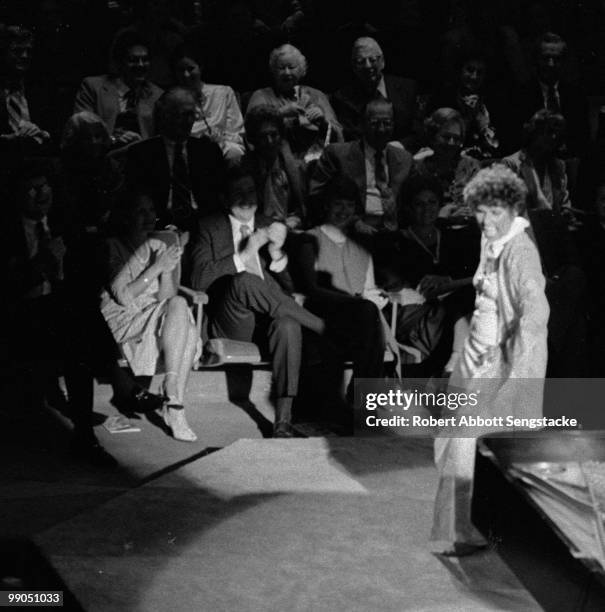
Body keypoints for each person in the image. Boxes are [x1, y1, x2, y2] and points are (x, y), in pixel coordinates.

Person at [431, 165, 549, 556]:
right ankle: (470, 527)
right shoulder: (491, 238)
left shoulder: (522, 252)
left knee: (474, 447)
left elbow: (534, 316)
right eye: (479, 211)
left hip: (502, 362)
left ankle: (472, 532)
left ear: (513, 209)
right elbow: (480, 300)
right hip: (474, 355)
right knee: (451, 441)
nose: (484, 220)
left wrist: (513, 374)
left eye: (493, 211)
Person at [189, 163, 325, 437]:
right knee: (245, 281)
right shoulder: (208, 227)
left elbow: (293, 286)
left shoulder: (269, 225)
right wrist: (245, 254)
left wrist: (277, 255)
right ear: (224, 198)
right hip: (230, 320)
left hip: (268, 320)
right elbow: (198, 281)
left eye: (251, 190)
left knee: (288, 325)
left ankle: (283, 422)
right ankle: (324, 329)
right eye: (237, 192)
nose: (246, 198)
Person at [3, 160, 115, 467]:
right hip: (18, 323)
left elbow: (86, 279)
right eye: (32, 189)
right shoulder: (7, 232)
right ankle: (120, 383)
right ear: (15, 195)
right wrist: (40, 264)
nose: (41, 195)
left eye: (46, 187)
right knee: (77, 318)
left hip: (62, 320)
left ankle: (84, 437)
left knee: (77, 318)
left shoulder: (65, 225)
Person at [101, 187, 200, 442]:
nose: (147, 216)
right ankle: (175, 405)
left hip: (152, 315)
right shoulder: (112, 246)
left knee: (179, 307)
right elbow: (122, 295)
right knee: (185, 324)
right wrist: (157, 267)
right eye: (140, 211)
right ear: (125, 216)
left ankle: (173, 395)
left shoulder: (157, 244)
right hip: (123, 318)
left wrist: (166, 270)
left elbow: (166, 299)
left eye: (151, 211)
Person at [293, 176, 386, 401]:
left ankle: (361, 399)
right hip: (321, 314)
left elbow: (368, 289)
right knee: (368, 316)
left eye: (349, 205)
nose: (344, 211)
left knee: (370, 315)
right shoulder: (309, 239)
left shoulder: (361, 244)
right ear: (326, 205)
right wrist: (357, 303)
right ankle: (363, 400)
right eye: (338, 204)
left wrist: (375, 298)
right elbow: (311, 288)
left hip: (359, 319)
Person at [124, 87, 226, 233]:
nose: (189, 121)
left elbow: (218, 200)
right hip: (158, 229)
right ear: (166, 116)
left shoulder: (208, 151)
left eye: (192, 115)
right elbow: (138, 203)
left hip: (203, 227)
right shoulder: (141, 154)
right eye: (183, 115)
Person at [309, 98, 413, 235]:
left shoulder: (405, 159)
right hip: (350, 231)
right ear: (363, 125)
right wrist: (354, 222)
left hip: (395, 234)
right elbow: (317, 195)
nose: (381, 129)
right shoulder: (338, 155)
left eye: (386, 123)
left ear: (393, 125)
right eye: (375, 123)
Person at [246, 44, 342, 161]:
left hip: (317, 159)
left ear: (301, 69)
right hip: (277, 161)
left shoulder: (317, 95)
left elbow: (338, 134)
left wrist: (323, 122)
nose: (287, 72)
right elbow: (251, 130)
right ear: (273, 71)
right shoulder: (261, 95)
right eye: (281, 68)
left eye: (291, 67)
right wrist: (280, 113)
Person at [74, 30, 163, 147]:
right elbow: (82, 129)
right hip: (103, 155)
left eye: (145, 60)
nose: (141, 65)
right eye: (133, 60)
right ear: (120, 62)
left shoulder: (157, 94)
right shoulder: (93, 87)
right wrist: (113, 139)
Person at [331, 37, 418, 144]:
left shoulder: (407, 88)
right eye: (360, 61)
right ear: (354, 67)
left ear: (382, 61)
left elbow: (418, 129)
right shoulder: (343, 97)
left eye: (372, 60)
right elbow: (352, 136)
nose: (367, 66)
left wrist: (401, 146)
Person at [410, 108, 481, 223]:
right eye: (446, 137)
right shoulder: (420, 164)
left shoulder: (471, 166)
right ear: (433, 136)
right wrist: (443, 216)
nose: (451, 143)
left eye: (457, 139)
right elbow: (414, 210)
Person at [173, 51, 245, 164]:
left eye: (191, 69)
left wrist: (220, 141)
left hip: (224, 148)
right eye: (181, 70)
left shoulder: (223, 92)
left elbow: (235, 131)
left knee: (234, 152)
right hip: (191, 153)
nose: (186, 75)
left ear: (200, 68)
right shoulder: (172, 101)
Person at [428, 51, 499, 160]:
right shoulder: (444, 96)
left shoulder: (487, 103)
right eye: (470, 70)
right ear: (460, 71)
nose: (474, 77)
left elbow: (493, 144)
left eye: (479, 73)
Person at [244, 104, 307, 229]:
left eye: (273, 135)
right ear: (253, 139)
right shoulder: (244, 169)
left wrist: (295, 220)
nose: (270, 142)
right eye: (263, 136)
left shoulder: (296, 168)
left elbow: (302, 209)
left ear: (281, 135)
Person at [502, 109, 573, 216]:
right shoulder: (511, 164)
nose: (554, 137)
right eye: (549, 131)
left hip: (553, 229)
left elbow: (563, 204)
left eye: (557, 134)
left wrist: (566, 213)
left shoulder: (558, 166)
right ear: (535, 132)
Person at [0, 25, 52, 167]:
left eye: (28, 51)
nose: (25, 56)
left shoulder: (39, 88)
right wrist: (10, 139)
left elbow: (55, 129)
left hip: (37, 163)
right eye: (17, 51)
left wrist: (42, 134)